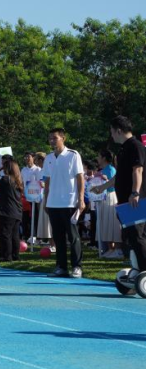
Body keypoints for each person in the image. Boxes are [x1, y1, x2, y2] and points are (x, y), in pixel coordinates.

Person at [93, 116, 146, 274]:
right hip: (124, 201)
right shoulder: (123, 149)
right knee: (130, 236)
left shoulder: (135, 146)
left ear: (119, 130)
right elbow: (120, 175)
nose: (111, 135)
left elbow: (138, 170)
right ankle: (138, 269)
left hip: (135, 200)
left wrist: (135, 192)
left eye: (112, 131)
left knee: (138, 236)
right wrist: (102, 187)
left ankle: (144, 270)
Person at [42, 128, 85, 278]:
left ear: (63, 138)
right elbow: (47, 181)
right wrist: (45, 200)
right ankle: (61, 267)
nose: (52, 141)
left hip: (69, 202)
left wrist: (81, 199)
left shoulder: (73, 155)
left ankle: (76, 266)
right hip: (53, 203)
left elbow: (80, 178)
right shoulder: (48, 158)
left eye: (55, 138)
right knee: (58, 238)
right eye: (50, 139)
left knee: (73, 237)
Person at [94, 149, 122, 258]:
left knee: (112, 223)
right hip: (103, 198)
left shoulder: (110, 169)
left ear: (104, 158)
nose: (97, 158)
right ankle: (111, 248)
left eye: (99, 156)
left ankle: (118, 249)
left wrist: (104, 180)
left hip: (110, 197)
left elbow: (114, 184)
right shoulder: (103, 170)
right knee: (105, 222)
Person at [0, 159, 24, 262]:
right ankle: (15, 255)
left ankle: (6, 256)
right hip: (17, 210)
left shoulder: (5, 179)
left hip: (7, 210)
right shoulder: (18, 180)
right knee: (15, 235)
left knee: (5, 234)